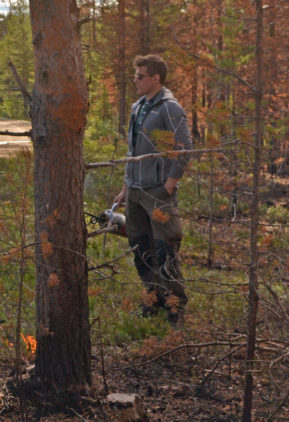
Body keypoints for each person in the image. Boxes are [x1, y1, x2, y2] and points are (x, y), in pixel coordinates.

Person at [113, 54, 192, 327]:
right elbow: (132, 152)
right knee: (141, 247)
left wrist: (170, 183)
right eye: (136, 75)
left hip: (158, 192)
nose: (135, 80)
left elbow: (184, 146)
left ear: (155, 78)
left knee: (165, 250)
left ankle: (175, 307)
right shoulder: (138, 107)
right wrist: (126, 187)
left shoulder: (170, 108)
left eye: (140, 76)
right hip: (135, 191)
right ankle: (154, 300)